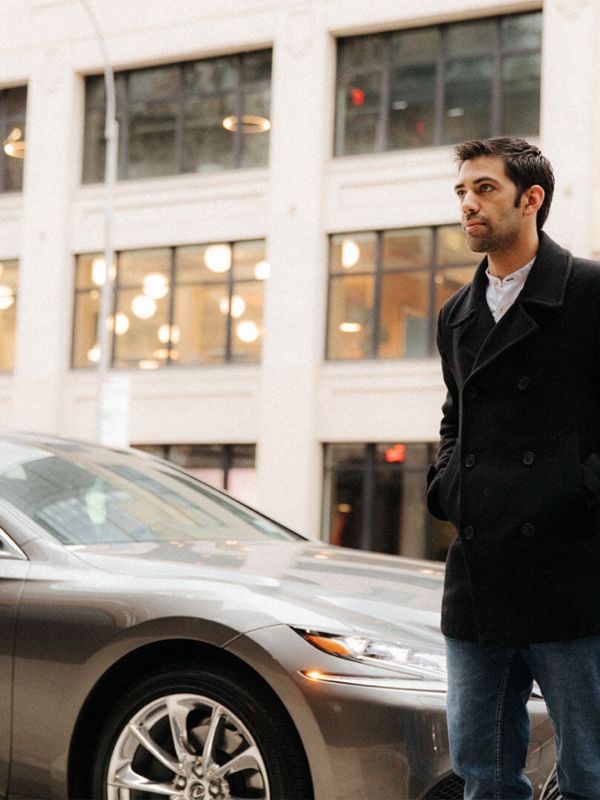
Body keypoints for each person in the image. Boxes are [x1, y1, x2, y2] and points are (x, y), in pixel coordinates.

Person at [426, 136, 600, 800]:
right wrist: (450, 486)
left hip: (572, 572)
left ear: (533, 200)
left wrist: (574, 490)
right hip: (480, 578)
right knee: (484, 775)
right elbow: (454, 416)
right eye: (462, 192)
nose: (469, 205)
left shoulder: (588, 293)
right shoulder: (456, 315)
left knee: (591, 772)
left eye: (485, 190)